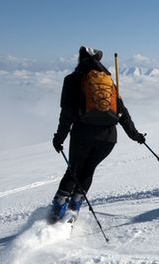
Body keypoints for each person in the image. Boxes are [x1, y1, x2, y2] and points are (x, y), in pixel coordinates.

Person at [50, 46, 145, 221]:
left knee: (74, 170)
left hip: (83, 135)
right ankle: (75, 206)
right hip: (108, 139)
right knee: (88, 170)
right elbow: (122, 112)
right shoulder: (109, 81)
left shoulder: (71, 79)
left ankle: (58, 209)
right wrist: (136, 135)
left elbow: (67, 113)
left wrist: (59, 138)